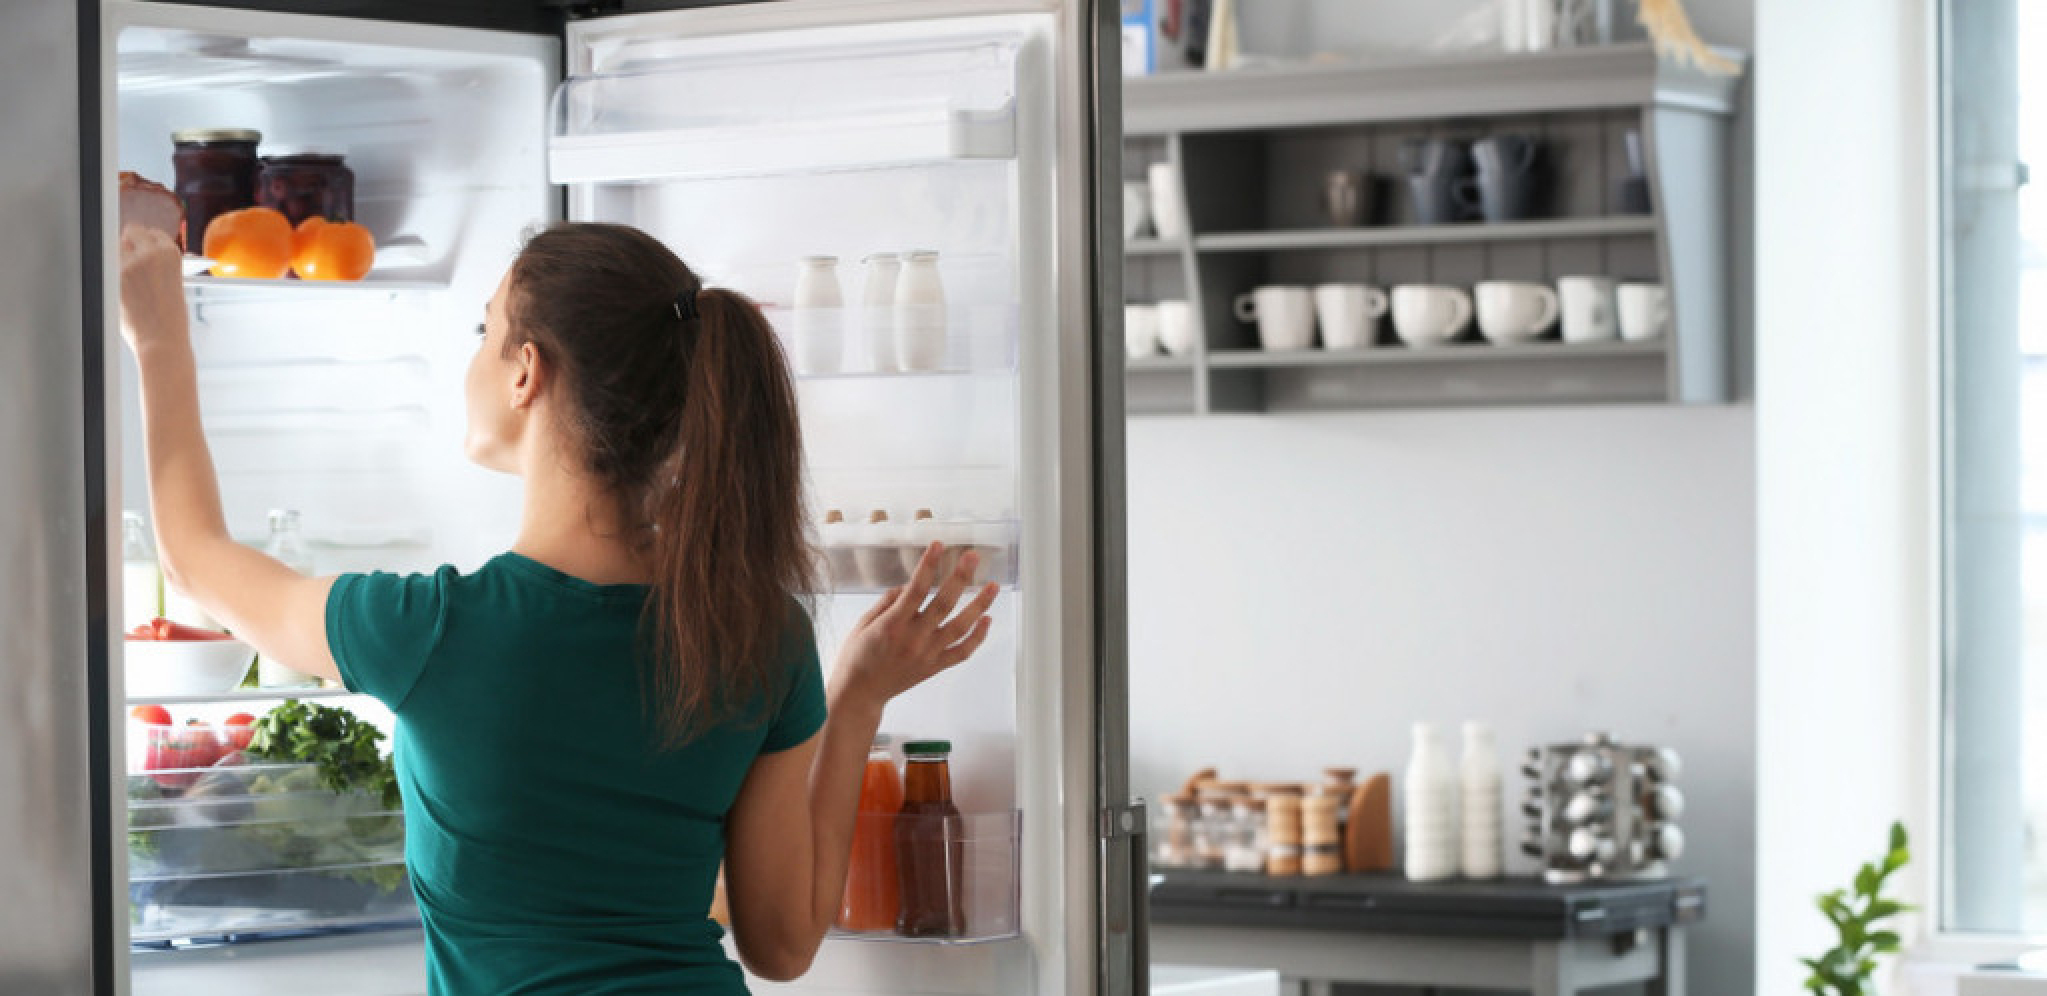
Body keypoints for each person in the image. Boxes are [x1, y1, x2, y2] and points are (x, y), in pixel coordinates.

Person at [116, 220, 999, 994]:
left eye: (485, 331)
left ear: (526, 372)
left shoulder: (430, 631)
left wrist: (158, 338)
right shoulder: (760, 630)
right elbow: (782, 945)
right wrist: (856, 700)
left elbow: (195, 561)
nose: (474, 357)